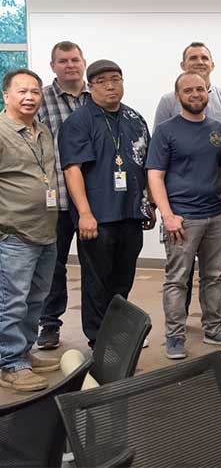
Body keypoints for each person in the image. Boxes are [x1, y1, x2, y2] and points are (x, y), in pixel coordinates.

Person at [147, 72, 221, 360]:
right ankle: (174, 337)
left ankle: (214, 328)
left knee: (214, 276)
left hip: (215, 215)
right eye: (188, 90)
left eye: (200, 89)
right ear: (177, 96)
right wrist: (167, 215)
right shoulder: (166, 131)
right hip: (182, 218)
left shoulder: (218, 129)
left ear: (207, 93)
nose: (195, 94)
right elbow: (155, 175)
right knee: (177, 280)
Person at [59, 60, 155, 348]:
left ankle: (117, 334)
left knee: (122, 279)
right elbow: (72, 169)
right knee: (97, 282)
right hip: (98, 217)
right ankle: (97, 339)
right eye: (102, 81)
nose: (110, 85)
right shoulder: (79, 121)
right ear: (90, 86)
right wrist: (85, 213)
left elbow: (146, 165)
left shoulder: (134, 118)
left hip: (131, 213)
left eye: (116, 78)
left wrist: (147, 203)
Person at [0, 69, 62, 392]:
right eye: (22, 91)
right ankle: (10, 363)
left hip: (45, 231)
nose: (29, 97)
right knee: (12, 302)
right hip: (13, 234)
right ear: (6, 95)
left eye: (35, 92)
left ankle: (23, 351)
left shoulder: (43, 132)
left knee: (35, 300)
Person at [35, 41, 89, 351]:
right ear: (53, 66)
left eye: (74, 59)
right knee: (52, 265)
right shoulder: (40, 99)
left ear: (83, 62)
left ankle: (102, 325)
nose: (70, 65)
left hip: (93, 201)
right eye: (63, 61)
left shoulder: (95, 97)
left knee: (96, 265)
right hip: (53, 199)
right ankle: (49, 323)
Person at [154, 42, 221, 128]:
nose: (200, 62)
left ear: (212, 65)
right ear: (183, 65)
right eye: (193, 58)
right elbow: (158, 138)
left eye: (204, 58)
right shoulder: (167, 102)